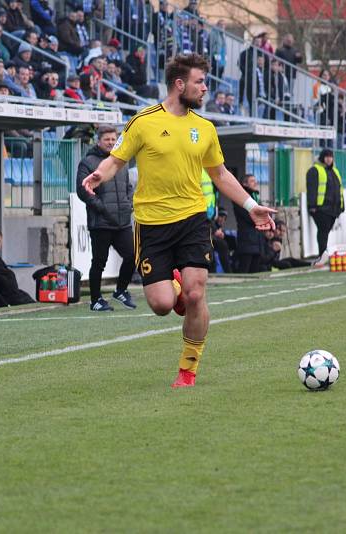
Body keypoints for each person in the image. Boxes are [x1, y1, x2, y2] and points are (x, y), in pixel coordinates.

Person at [81, 53, 276, 388]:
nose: (205, 89)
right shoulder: (143, 122)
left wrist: (249, 204)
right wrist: (98, 175)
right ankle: (173, 284)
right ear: (179, 84)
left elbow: (220, 174)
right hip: (151, 225)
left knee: (197, 295)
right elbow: (117, 159)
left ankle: (187, 371)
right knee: (161, 305)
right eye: (200, 82)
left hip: (192, 220)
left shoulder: (205, 128)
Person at [75, 125, 137, 312]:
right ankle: (96, 300)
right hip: (101, 222)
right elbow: (82, 190)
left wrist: (128, 204)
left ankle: (120, 291)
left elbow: (127, 187)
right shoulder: (88, 162)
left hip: (122, 221)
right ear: (98, 140)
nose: (110, 142)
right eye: (107, 139)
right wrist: (101, 208)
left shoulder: (121, 161)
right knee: (99, 262)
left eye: (113, 139)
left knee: (132, 256)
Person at [306, 148, 344, 263]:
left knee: (325, 231)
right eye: (326, 157)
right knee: (323, 231)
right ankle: (322, 254)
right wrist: (312, 206)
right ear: (322, 158)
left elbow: (339, 189)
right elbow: (311, 188)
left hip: (333, 209)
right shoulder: (314, 170)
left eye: (330, 156)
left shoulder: (335, 171)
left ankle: (323, 254)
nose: (329, 159)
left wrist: (342, 205)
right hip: (320, 208)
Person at [233, 174, 265, 273]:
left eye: (255, 180)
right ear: (244, 184)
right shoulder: (241, 198)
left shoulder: (255, 196)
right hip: (247, 240)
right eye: (252, 181)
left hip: (257, 241)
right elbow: (250, 217)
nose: (255, 183)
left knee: (255, 272)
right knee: (244, 270)